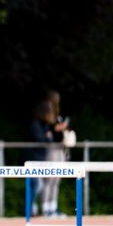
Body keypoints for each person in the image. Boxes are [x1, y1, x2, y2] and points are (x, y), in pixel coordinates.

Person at [25, 99, 55, 216]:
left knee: (38, 185)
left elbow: (49, 139)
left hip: (39, 159)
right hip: (32, 159)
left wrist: (48, 138)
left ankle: (32, 208)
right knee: (35, 185)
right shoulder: (35, 124)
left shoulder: (44, 125)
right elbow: (42, 139)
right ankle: (30, 209)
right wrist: (47, 138)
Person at [42, 90, 70, 218]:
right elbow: (47, 132)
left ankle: (53, 207)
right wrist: (56, 128)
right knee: (50, 178)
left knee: (57, 179)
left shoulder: (59, 115)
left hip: (60, 147)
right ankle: (45, 208)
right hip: (52, 148)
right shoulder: (46, 115)